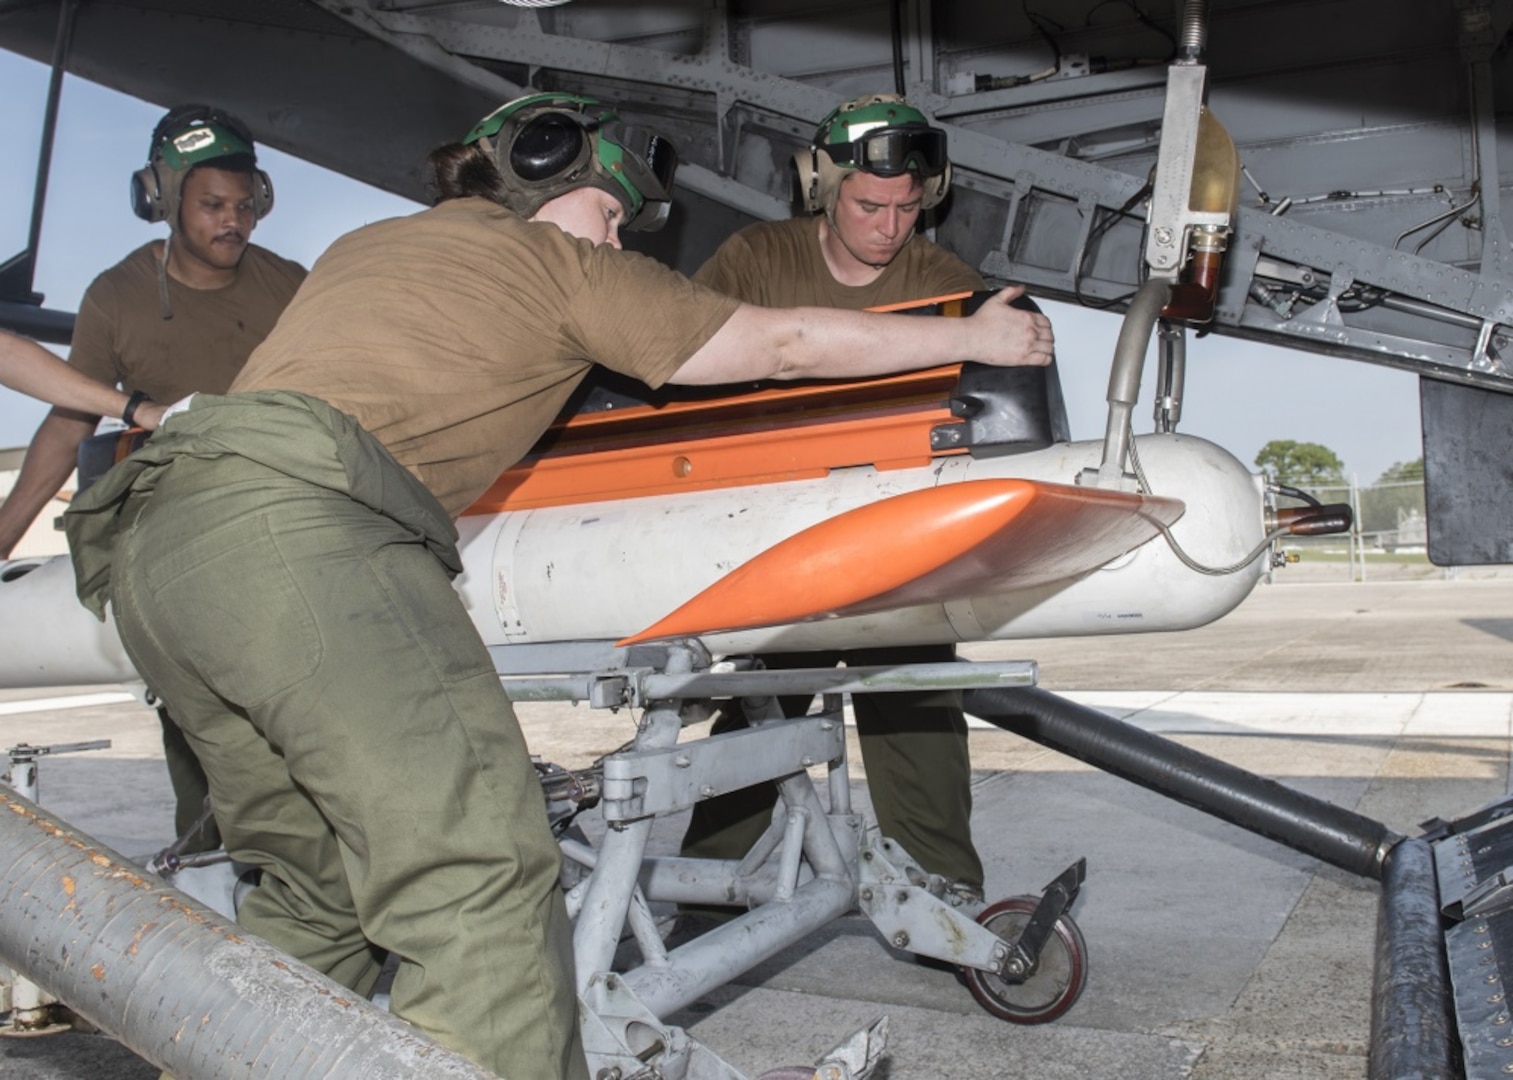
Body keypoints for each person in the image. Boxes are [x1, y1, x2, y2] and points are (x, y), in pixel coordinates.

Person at [62, 92, 1054, 1077]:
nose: (619, 242)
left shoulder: (370, 246)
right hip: (305, 541)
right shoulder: (556, 264)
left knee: (315, 893)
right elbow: (779, 345)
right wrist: (970, 340)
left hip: (158, 550)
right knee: (481, 878)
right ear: (550, 181)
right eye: (612, 216)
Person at [680, 94, 1018, 912]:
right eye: (870, 204)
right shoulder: (755, 259)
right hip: (772, 520)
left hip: (890, 529)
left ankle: (943, 889)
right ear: (821, 186)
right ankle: (702, 886)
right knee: (765, 701)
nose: (890, 225)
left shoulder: (944, 283)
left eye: (908, 207)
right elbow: (685, 364)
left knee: (914, 693)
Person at [0, 105, 306, 857]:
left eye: (244, 205)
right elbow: (69, 422)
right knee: (204, 734)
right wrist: (4, 537)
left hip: (283, 519)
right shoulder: (118, 296)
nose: (232, 223)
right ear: (163, 202)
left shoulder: (291, 286)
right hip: (182, 534)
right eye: (211, 206)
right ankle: (214, 872)